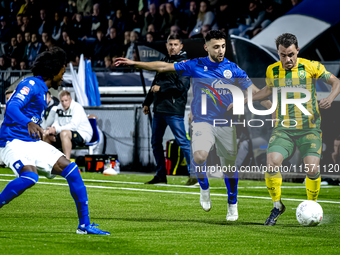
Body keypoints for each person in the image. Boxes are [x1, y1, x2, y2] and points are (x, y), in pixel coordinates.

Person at [115, 30, 271, 221]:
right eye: (216, 47)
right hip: (202, 121)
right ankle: (204, 188)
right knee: (199, 156)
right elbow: (164, 67)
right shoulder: (196, 65)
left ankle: (232, 202)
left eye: (223, 46)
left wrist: (270, 106)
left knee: (228, 169)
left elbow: (253, 90)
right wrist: (134, 63)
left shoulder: (234, 69)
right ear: (206, 47)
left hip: (226, 123)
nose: (221, 50)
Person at [0, 47, 109, 235]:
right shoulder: (32, 84)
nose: (63, 76)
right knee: (29, 177)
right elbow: (11, 107)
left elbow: (31, 117)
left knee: (73, 171)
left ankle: (84, 225)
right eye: (62, 71)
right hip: (12, 141)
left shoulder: (43, 90)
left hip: (31, 142)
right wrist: (28, 123)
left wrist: (41, 130)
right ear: (53, 71)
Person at [251, 33, 340, 225]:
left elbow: (336, 82)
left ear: (297, 50)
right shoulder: (272, 70)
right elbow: (268, 89)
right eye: (283, 55)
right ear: (278, 53)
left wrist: (330, 98)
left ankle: (312, 206)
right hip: (284, 129)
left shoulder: (311, 67)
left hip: (309, 129)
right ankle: (277, 207)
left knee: (312, 168)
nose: (287, 59)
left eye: (291, 54)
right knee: (272, 163)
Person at [141, 34, 194, 185]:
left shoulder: (185, 64)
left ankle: (195, 175)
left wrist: (161, 88)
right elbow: (155, 83)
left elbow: (181, 87)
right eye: (170, 44)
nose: (172, 47)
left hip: (173, 109)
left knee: (182, 142)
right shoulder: (164, 61)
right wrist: (147, 102)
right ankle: (160, 175)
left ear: (181, 46)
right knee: (155, 143)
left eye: (175, 44)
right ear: (166, 45)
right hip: (158, 109)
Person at [44, 90, 93, 160]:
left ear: (70, 100)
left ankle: (67, 162)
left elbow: (73, 126)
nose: (64, 103)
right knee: (46, 135)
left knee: (64, 133)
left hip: (82, 134)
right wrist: (53, 129)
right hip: (64, 133)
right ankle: (49, 161)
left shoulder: (77, 107)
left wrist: (56, 129)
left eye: (66, 100)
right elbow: (56, 122)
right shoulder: (59, 107)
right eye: (62, 101)